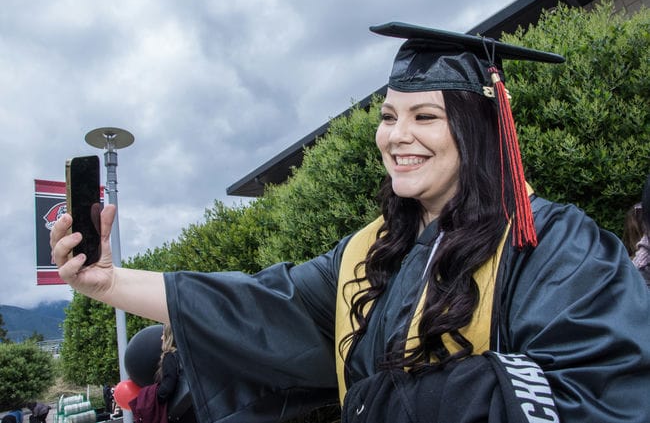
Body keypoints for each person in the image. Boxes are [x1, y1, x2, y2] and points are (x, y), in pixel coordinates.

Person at [50, 21, 650, 423]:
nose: (397, 136)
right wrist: (107, 282)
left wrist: (403, 403)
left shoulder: (553, 242)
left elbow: (603, 390)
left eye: (425, 116)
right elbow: (258, 302)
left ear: (479, 130)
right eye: (388, 116)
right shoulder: (370, 250)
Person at [155, 324, 195, 423]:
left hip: (181, 413)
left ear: (169, 337)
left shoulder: (170, 357)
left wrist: (154, 396)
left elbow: (168, 386)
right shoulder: (191, 354)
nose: (161, 337)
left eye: (163, 334)